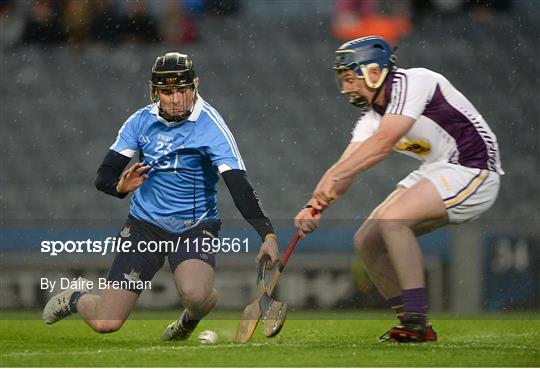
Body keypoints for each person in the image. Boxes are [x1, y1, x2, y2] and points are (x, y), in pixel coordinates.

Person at [42, 52, 279, 341]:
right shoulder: (140, 122)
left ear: (195, 87)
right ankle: (75, 298)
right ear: (156, 92)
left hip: (194, 227)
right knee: (107, 323)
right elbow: (103, 176)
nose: (176, 99)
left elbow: (238, 184)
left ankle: (189, 319)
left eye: (182, 90)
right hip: (144, 227)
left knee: (194, 295)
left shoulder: (212, 126)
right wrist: (119, 187)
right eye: (167, 92)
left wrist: (267, 234)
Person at [294, 36, 503, 342]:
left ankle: (416, 320)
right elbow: (347, 167)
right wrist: (315, 204)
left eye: (351, 78)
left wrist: (332, 177)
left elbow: (382, 145)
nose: (346, 88)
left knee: (393, 221)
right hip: (439, 167)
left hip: (473, 168)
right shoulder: (370, 119)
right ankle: (412, 324)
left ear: (375, 72)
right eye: (343, 80)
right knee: (367, 240)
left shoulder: (414, 81)